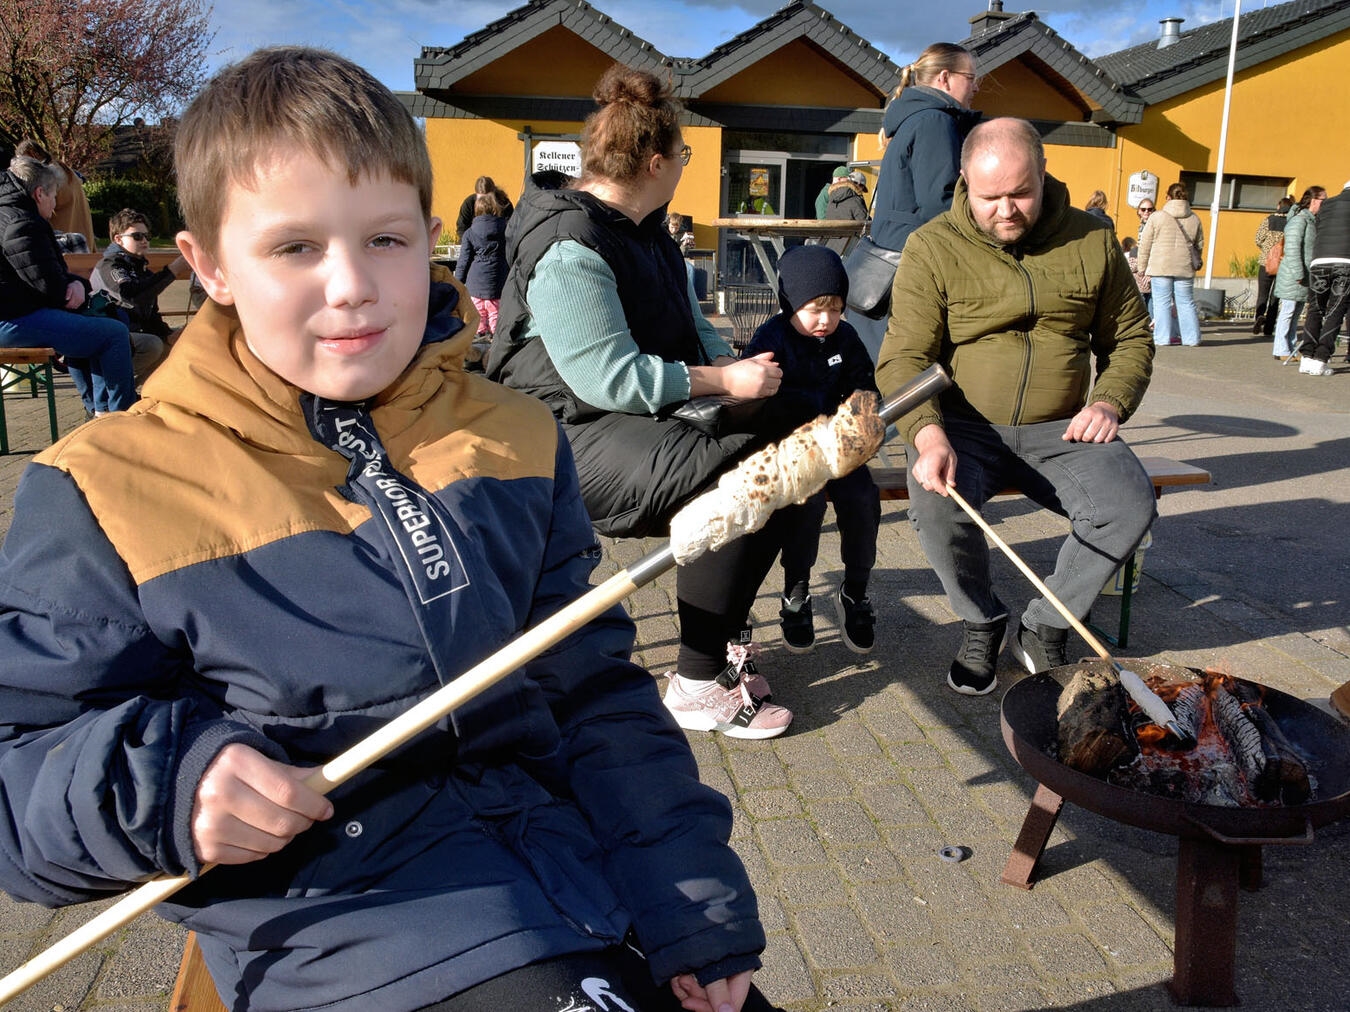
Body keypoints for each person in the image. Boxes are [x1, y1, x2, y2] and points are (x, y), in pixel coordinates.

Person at [0, 47, 779, 1012]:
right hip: (347, 927)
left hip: (578, 882)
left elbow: (594, 697)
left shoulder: (515, 437)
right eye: (294, 248)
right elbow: (19, 766)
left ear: (432, 239)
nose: (352, 285)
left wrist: (687, 900)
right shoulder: (105, 490)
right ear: (208, 266)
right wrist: (173, 787)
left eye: (386, 240)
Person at [487, 62, 797, 740]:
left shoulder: (646, 226)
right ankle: (694, 681)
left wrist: (733, 365)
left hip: (625, 415)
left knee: (790, 449)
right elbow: (606, 377)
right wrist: (721, 385)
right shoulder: (570, 244)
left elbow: (695, 323)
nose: (685, 165)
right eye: (683, 155)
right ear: (656, 162)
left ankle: (721, 638)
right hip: (560, 433)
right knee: (735, 476)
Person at [877, 117, 1156, 696]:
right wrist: (927, 435)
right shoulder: (932, 247)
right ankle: (981, 620)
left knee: (1128, 504)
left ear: (1044, 174)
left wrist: (1109, 402)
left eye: (1020, 194)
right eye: (989, 197)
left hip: (1065, 430)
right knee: (935, 508)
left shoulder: (1092, 239)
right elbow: (902, 359)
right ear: (964, 182)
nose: (1006, 209)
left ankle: (1048, 622)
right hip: (963, 430)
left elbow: (1130, 338)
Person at [742, 245, 880, 655]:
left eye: (836, 309)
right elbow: (754, 399)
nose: (826, 320)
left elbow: (865, 387)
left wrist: (859, 419)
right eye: (815, 309)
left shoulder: (847, 338)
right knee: (807, 507)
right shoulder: (772, 339)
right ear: (789, 302)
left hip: (840, 447)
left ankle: (856, 590)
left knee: (863, 501)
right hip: (793, 451)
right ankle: (796, 592)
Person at [853, 42, 982, 361]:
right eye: (971, 77)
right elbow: (941, 203)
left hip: (889, 259)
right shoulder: (935, 121)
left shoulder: (911, 118)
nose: (976, 86)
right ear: (945, 77)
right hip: (911, 264)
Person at [0, 155, 136, 414]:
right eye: (53, 197)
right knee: (113, 333)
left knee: (105, 319)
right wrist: (76, 287)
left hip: (14, 311)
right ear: (39, 193)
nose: (54, 207)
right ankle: (119, 419)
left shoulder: (8, 213)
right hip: (11, 320)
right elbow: (49, 288)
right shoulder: (21, 222)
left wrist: (75, 285)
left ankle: (102, 411)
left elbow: (39, 275)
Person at [92, 206, 194, 382]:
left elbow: (150, 314)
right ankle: (114, 389)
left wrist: (168, 335)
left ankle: (136, 392)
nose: (144, 240)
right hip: (108, 335)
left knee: (186, 342)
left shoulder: (141, 269)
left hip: (134, 334)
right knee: (152, 345)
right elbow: (131, 297)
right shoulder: (110, 266)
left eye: (147, 236)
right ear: (118, 239)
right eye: (137, 236)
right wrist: (172, 271)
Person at [1137, 181, 1204, 347]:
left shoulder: (1157, 217)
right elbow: (1199, 244)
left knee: (1162, 303)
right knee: (1186, 302)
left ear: (1168, 196)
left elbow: (1145, 244)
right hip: (1185, 266)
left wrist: (1142, 267)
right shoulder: (1194, 218)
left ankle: (1162, 338)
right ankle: (1192, 338)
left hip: (1161, 266)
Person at [1295, 179, 1350, 376]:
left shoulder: (1327, 204)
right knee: (1335, 312)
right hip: (1345, 263)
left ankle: (1306, 358)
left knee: (1315, 310)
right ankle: (1321, 359)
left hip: (1319, 262)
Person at [1272, 186, 1326, 363]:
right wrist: (1298, 273)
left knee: (1295, 314)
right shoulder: (1299, 221)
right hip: (1295, 275)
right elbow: (1292, 249)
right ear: (1313, 201)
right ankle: (1281, 348)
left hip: (1304, 275)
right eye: (1322, 199)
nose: (1325, 202)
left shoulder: (1312, 221)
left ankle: (1291, 347)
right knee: (1287, 312)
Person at [15, 137, 95, 252]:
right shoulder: (64, 169)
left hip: (66, 243)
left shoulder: (48, 175)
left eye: (24, 161)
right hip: (82, 239)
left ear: (32, 154)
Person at [454, 191, 508, 340]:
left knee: (478, 321)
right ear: (496, 208)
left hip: (475, 285)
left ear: (476, 210)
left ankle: (478, 349)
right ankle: (495, 351)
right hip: (498, 284)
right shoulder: (506, 230)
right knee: (496, 320)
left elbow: (464, 261)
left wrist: (457, 283)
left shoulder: (470, 233)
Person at [1253, 196, 1293, 343]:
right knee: (1275, 297)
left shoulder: (1268, 220)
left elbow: (1257, 239)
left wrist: (1266, 248)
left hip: (1266, 263)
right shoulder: (1292, 222)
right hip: (1283, 264)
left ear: (1278, 206)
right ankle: (1269, 327)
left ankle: (1259, 317)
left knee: (1262, 294)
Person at [824, 169, 869, 255]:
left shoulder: (832, 198)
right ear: (858, 185)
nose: (862, 191)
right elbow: (865, 223)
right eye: (862, 187)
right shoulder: (855, 200)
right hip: (849, 248)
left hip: (830, 245)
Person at [454, 174, 513, 239]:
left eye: (488, 198)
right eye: (480, 199)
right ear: (476, 194)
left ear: (493, 193)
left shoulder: (504, 204)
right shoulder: (469, 204)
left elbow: (511, 226)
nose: (484, 202)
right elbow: (462, 228)